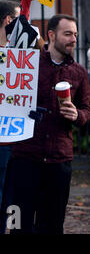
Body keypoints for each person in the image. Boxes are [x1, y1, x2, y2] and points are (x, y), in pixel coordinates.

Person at [9, 14, 90, 234]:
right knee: (16, 222)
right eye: (68, 34)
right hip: (25, 156)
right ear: (51, 35)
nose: (73, 39)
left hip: (59, 159)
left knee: (53, 225)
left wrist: (77, 115)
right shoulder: (28, 65)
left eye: (75, 34)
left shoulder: (79, 73)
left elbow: (86, 109)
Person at [0, 0, 20, 234]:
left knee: (10, 205)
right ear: (9, 21)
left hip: (16, 139)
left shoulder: (18, 51)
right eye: (20, 20)